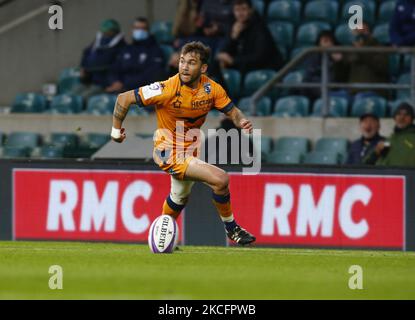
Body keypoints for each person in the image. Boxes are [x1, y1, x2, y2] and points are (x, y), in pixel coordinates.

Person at [110, 41, 256, 245]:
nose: (184, 67)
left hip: (190, 152)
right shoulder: (166, 88)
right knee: (221, 179)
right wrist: (116, 131)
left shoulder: (211, 89)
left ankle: (160, 239)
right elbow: (123, 98)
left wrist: (240, 120)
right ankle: (232, 228)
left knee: (179, 197)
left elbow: (232, 110)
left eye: (191, 62)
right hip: (167, 151)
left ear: (203, 68)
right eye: (182, 61)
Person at [216, 0, 282, 75]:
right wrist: (233, 37)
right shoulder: (234, 25)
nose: (240, 14)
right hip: (244, 65)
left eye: (243, 9)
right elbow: (225, 52)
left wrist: (233, 61)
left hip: (265, 67)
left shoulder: (259, 28)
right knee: (215, 64)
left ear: (251, 10)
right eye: (237, 10)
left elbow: (259, 57)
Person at [106, 17, 165, 93]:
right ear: (132, 30)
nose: (140, 31)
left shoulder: (155, 50)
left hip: (142, 91)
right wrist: (115, 81)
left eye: (143, 28)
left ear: (148, 31)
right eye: (137, 28)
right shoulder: (126, 49)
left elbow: (154, 73)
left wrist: (125, 84)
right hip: (121, 89)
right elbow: (114, 69)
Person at [75, 19, 126, 98]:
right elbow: (86, 58)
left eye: (109, 32)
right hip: (89, 81)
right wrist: (84, 69)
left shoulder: (122, 48)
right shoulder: (94, 45)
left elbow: (114, 67)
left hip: (105, 85)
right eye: (104, 32)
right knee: (73, 94)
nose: (106, 35)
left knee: (84, 97)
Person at [345, 22, 389, 98]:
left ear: (370, 33)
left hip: (373, 91)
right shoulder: (351, 50)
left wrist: (362, 51)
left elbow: (381, 67)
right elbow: (341, 75)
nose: (361, 36)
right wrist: (338, 61)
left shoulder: (379, 48)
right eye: (358, 33)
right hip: (352, 92)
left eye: (364, 31)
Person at [303, 30, 349, 100]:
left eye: (330, 41)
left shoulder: (339, 55)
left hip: (334, 89)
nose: (328, 44)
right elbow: (309, 77)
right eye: (325, 41)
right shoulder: (312, 57)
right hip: (316, 89)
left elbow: (342, 77)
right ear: (319, 43)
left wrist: (339, 62)